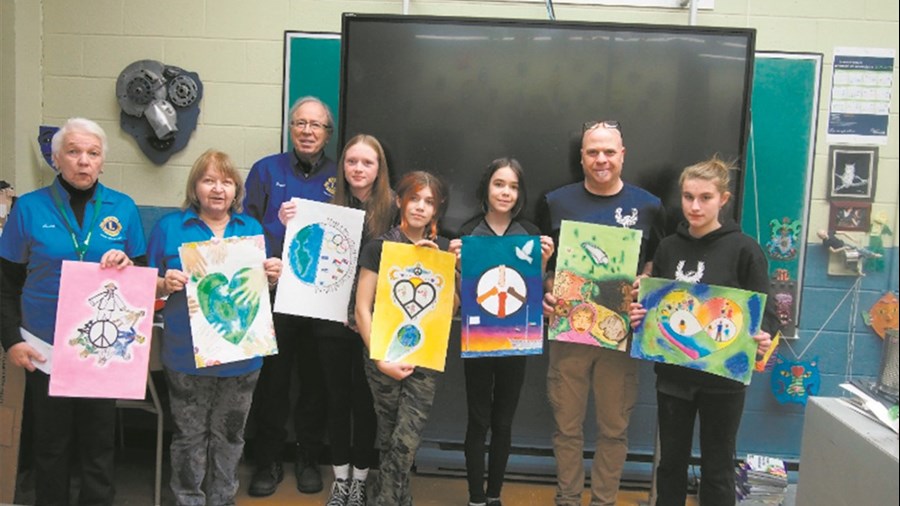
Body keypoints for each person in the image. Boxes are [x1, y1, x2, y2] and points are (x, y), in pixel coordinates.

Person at [0, 117, 146, 505]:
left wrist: (128, 265)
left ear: (102, 162)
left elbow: (143, 282)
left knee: (99, 446)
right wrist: (11, 340)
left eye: (93, 153)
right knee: (50, 447)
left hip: (100, 350)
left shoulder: (124, 208)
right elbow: (6, 284)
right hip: (43, 347)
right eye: (74, 151)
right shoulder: (28, 209)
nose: (84, 161)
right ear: (56, 158)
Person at [629, 157, 776, 505]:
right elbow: (659, 308)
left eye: (705, 197)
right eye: (688, 196)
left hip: (723, 380)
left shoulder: (745, 250)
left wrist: (764, 333)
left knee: (718, 466)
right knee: (671, 464)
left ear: (723, 199)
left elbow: (767, 312)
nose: (694, 206)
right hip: (674, 375)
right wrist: (640, 315)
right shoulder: (668, 248)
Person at [539, 120, 666, 506]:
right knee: (566, 426)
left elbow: (660, 262)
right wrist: (546, 291)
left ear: (622, 155)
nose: (601, 159)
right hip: (568, 332)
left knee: (614, 428)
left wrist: (646, 281)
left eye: (609, 151)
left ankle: (604, 501)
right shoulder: (555, 202)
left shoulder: (649, 206)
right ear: (581, 157)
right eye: (593, 151)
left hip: (620, 334)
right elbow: (543, 265)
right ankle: (568, 497)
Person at [147, 150, 282, 505]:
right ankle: (188, 499)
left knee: (230, 436)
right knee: (189, 436)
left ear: (236, 190)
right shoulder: (169, 228)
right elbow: (144, 284)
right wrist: (163, 283)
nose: (217, 189)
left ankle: (222, 499)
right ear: (195, 187)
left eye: (225, 181)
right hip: (185, 354)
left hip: (241, 357)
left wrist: (270, 279)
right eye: (208, 180)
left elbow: (253, 294)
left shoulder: (251, 229)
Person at [278, 134, 394, 506]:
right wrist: (288, 225)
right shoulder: (325, 209)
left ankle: (360, 478)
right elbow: (307, 264)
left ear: (379, 169)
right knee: (336, 400)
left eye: (367, 163)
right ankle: (340, 478)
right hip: (329, 324)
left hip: (374, 325)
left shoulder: (395, 209)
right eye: (351, 162)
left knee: (366, 403)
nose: (358, 169)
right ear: (342, 167)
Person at [244, 96, 336, 496]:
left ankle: (309, 456)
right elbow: (245, 231)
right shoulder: (265, 170)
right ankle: (267, 459)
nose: (307, 131)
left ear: (327, 133)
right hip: (275, 293)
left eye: (316, 125)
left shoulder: (341, 174)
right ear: (290, 127)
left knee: (315, 382)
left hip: (322, 298)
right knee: (274, 381)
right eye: (300, 123)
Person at [448, 158, 554, 506]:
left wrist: (542, 263)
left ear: (520, 193)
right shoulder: (467, 232)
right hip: (478, 337)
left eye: (512, 186)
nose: (505, 192)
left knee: (504, 422)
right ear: (486, 188)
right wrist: (457, 266)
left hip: (516, 338)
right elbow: (462, 297)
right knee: (478, 419)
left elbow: (532, 291)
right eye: (498, 184)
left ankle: (495, 496)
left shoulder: (529, 233)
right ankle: (476, 497)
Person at [355, 170, 453, 506]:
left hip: (424, 360)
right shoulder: (378, 247)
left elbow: (449, 311)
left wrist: (440, 267)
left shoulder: (442, 249)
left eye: (429, 202)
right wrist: (380, 357)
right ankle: (400, 499)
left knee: (406, 438)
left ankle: (384, 499)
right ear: (400, 201)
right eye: (414, 198)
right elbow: (361, 309)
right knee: (388, 435)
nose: (420, 207)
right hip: (383, 357)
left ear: (436, 211)